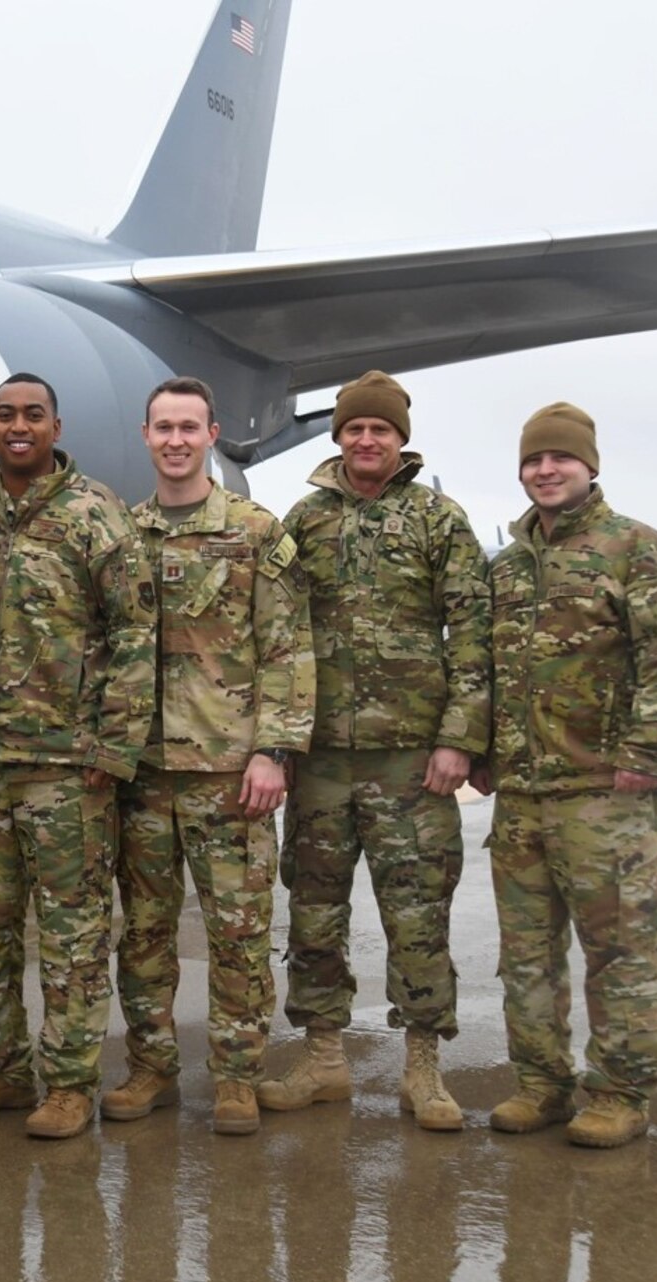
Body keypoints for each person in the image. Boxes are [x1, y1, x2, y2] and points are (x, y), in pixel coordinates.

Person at [258, 371, 491, 1132]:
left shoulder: (437, 519)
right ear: (339, 437)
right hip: (323, 760)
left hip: (409, 764)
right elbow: (279, 632)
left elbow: (474, 635)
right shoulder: (306, 520)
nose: (367, 440)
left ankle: (423, 1066)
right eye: (355, 428)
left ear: (401, 440)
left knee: (418, 916)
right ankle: (324, 1058)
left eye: (381, 430)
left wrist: (459, 737)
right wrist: (282, 741)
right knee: (315, 914)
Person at [474, 402, 657, 1148]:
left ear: (589, 465)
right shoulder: (508, 566)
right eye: (534, 460)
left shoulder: (635, 549)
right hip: (521, 796)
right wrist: (481, 752)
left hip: (606, 796)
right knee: (527, 954)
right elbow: (487, 666)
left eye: (560, 459)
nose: (546, 470)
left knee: (622, 954)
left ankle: (621, 1091)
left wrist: (645, 755)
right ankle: (541, 1082)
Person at [0, 372, 156, 1140]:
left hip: (69, 769)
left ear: (56, 427)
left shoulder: (97, 514)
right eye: (6, 416)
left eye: (34, 414)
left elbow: (135, 633)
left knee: (71, 933)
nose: (19, 426)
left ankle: (68, 1082)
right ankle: (1, 1070)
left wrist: (113, 744)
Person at [108, 376, 313, 1136]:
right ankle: (152, 1065)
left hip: (230, 773)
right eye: (163, 427)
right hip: (143, 775)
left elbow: (289, 647)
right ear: (145, 435)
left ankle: (236, 1072)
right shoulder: (123, 534)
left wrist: (274, 751)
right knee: (145, 932)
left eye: (189, 427)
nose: (176, 440)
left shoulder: (256, 531)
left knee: (237, 932)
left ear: (213, 433)